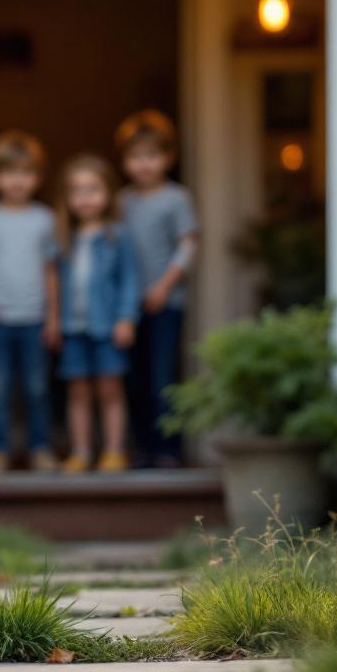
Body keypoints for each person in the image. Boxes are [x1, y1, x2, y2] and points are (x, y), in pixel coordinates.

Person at [0, 131, 60, 472]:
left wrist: (53, 317)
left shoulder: (45, 219)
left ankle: (40, 449)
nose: (18, 181)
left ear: (37, 177)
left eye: (26, 172)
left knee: (37, 388)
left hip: (35, 317)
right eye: (9, 172)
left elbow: (51, 271)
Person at [115, 110, 199, 468]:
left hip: (166, 301)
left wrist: (164, 286)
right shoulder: (121, 202)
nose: (144, 164)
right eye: (136, 157)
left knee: (163, 376)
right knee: (132, 377)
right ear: (124, 162)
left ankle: (168, 449)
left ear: (168, 157)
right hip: (127, 306)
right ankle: (142, 447)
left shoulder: (176, 198)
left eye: (152, 156)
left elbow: (188, 245)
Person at [52, 154, 140, 473]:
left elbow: (130, 280)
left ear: (108, 194)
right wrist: (54, 322)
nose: (85, 198)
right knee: (78, 391)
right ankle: (80, 450)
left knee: (110, 389)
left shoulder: (118, 236)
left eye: (93, 189)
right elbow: (54, 284)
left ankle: (114, 449)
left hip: (108, 327)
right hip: (73, 327)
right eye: (76, 191)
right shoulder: (64, 238)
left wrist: (126, 318)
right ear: (66, 198)